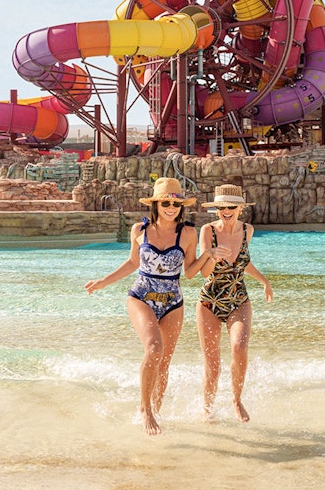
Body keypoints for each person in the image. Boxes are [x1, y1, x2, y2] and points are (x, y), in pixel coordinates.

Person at [85, 177, 225, 435]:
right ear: (156, 204)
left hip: (173, 302)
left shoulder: (188, 233)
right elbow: (132, 263)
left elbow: (191, 272)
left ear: (181, 205)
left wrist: (209, 255)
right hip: (141, 296)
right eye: (165, 202)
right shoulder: (139, 230)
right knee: (153, 347)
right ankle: (144, 409)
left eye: (175, 203)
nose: (171, 207)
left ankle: (157, 411)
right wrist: (103, 282)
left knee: (163, 362)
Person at [196, 184, 273, 423]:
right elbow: (203, 273)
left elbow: (242, 264)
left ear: (240, 208)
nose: (226, 211)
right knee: (213, 363)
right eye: (221, 207)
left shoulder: (248, 229)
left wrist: (264, 281)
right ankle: (207, 410)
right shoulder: (208, 230)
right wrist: (211, 255)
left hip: (239, 298)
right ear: (216, 209)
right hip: (210, 301)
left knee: (239, 349)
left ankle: (236, 400)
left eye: (231, 206)